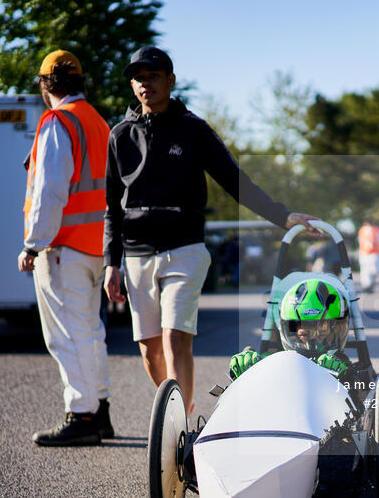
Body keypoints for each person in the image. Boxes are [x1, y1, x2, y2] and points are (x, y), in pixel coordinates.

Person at [103, 46, 318, 414]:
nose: (145, 84)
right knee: (150, 350)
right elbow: (111, 206)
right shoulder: (119, 135)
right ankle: (177, 418)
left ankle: (182, 436)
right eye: (138, 78)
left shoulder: (193, 130)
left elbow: (237, 183)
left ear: (170, 81)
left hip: (184, 247)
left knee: (174, 338)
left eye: (153, 76)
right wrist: (111, 262)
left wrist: (282, 217)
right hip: (136, 253)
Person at [19, 50, 112, 446]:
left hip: (62, 248)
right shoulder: (98, 123)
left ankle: (82, 415)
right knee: (90, 331)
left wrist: (33, 244)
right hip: (96, 247)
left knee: (65, 336)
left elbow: (50, 190)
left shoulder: (58, 122)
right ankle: (100, 410)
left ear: (45, 85)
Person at [229, 278, 354, 385]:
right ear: (291, 330)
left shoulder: (343, 366)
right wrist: (247, 367)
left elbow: (359, 389)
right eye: (305, 333)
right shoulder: (272, 362)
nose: (313, 340)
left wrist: (345, 376)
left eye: (322, 332)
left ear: (339, 329)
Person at [357, 218, 379, 292]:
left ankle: (366, 284)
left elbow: (359, 240)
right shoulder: (376, 229)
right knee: (371, 269)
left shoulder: (362, 229)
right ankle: (369, 284)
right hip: (373, 252)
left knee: (365, 270)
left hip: (364, 252)